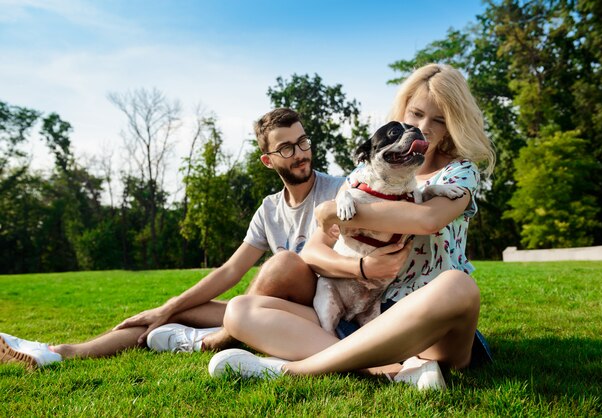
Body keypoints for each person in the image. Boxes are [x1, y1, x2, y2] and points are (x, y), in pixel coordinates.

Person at [0, 108, 409, 369]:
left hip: (320, 315)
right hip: (262, 308)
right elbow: (231, 269)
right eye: (287, 149)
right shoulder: (269, 209)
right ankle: (57, 351)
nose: (301, 153)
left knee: (286, 262)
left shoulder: (342, 190)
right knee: (168, 315)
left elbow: (386, 218)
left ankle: (220, 337)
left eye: (303, 142)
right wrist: (170, 305)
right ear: (268, 160)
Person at [207, 63, 496, 390]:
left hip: (429, 322)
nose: (424, 127)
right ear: (402, 111)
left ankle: (293, 369)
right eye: (416, 114)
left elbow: (427, 219)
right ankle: (390, 370)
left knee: (458, 286)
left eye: (439, 120)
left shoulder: (460, 173)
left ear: (454, 123)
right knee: (241, 310)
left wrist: (336, 209)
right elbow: (314, 250)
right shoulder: (370, 169)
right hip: (366, 315)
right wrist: (361, 266)